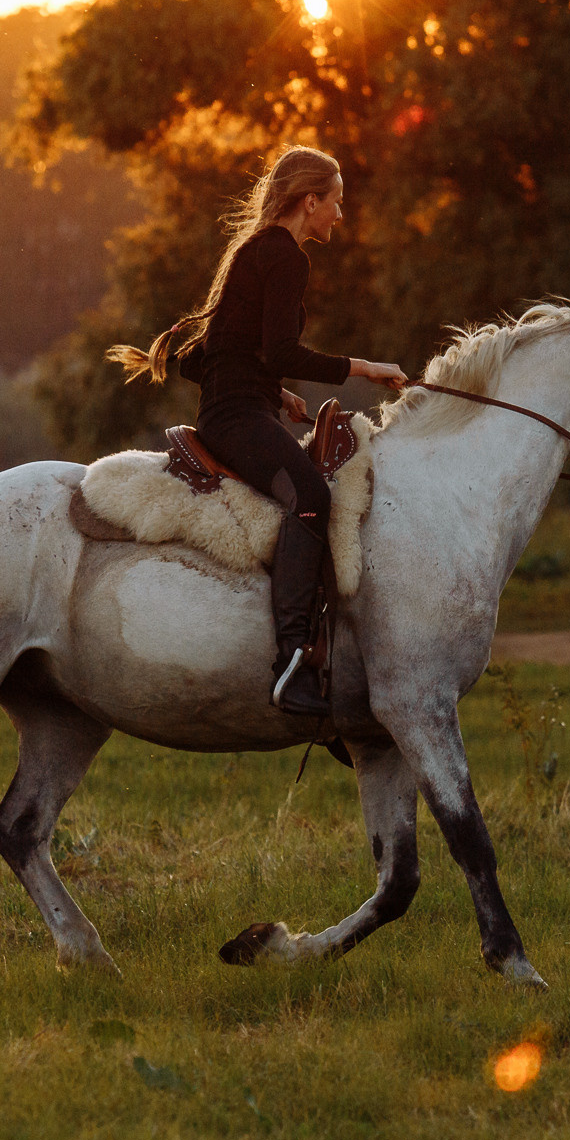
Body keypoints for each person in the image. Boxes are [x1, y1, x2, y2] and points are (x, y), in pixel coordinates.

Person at [107, 146, 408, 716]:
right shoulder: (286, 257)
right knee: (314, 498)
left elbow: (213, 357)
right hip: (236, 420)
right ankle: (292, 657)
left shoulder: (254, 250)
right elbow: (280, 349)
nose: (340, 216)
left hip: (238, 410)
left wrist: (276, 394)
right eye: (336, 204)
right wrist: (365, 369)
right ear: (310, 200)